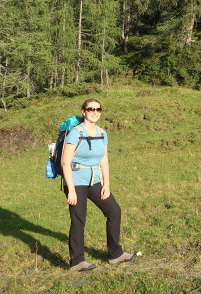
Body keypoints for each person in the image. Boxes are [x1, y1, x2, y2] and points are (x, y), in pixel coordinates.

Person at [61, 98, 135, 271]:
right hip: (76, 180)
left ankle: (115, 254)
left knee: (114, 210)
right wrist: (70, 190)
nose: (95, 112)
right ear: (83, 111)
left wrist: (106, 184)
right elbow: (65, 163)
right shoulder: (75, 132)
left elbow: (104, 160)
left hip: (95, 180)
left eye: (98, 109)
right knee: (79, 219)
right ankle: (77, 261)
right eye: (91, 109)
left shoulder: (102, 133)